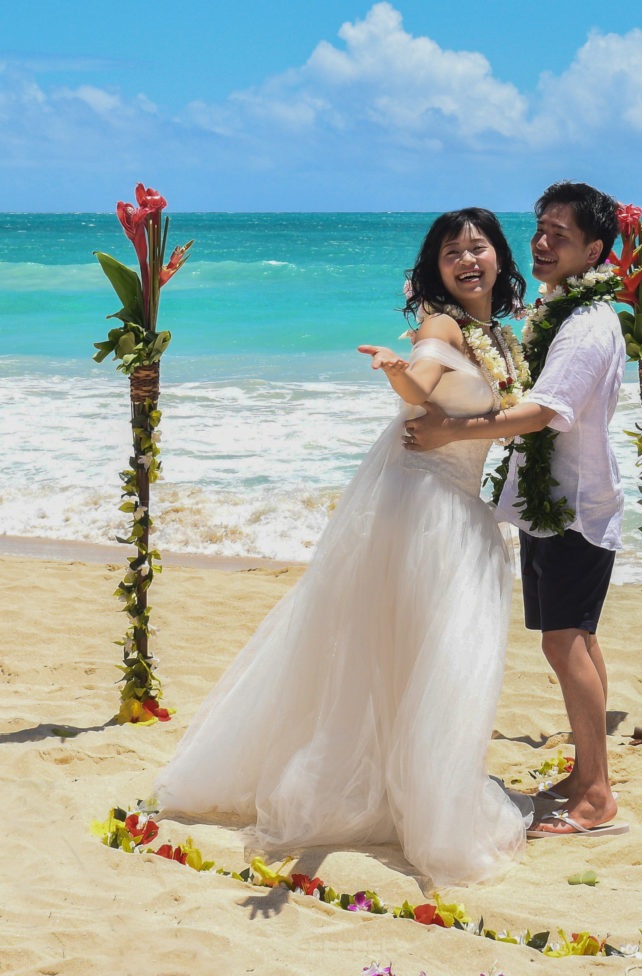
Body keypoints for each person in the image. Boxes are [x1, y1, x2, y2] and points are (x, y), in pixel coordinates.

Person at [154, 208, 534, 888]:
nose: (467, 258)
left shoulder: (500, 337)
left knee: (434, 661)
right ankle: (414, 806)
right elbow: (421, 379)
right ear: (435, 268)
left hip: (460, 507)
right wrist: (397, 370)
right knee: (420, 656)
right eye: (452, 251)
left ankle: (418, 790)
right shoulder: (441, 325)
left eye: (478, 246)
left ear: (500, 258)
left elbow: (500, 415)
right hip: (422, 508)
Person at [405, 181, 628, 838]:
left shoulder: (587, 325)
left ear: (595, 249)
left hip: (574, 506)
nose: (543, 243)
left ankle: (597, 798)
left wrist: (451, 433)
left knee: (565, 643)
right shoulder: (558, 312)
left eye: (561, 235)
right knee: (578, 639)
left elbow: (541, 414)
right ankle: (588, 777)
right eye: (540, 230)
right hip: (550, 505)